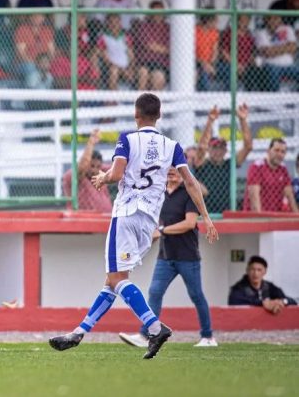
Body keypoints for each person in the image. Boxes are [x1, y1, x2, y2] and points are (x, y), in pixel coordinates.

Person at [48, 93, 218, 360]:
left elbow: (116, 175)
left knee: (118, 278)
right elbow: (191, 181)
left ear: (136, 114)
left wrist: (104, 177)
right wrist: (206, 217)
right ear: (159, 116)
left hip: (127, 212)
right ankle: (79, 332)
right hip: (150, 217)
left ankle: (154, 326)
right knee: (112, 280)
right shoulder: (172, 145)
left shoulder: (127, 138)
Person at [117, 167, 217, 349]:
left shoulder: (189, 194)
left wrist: (162, 231)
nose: (171, 172)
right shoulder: (159, 194)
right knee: (155, 292)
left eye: (176, 169)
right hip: (166, 256)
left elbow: (189, 223)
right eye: (168, 169)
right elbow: (155, 225)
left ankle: (208, 337)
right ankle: (145, 334)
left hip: (187, 256)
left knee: (196, 295)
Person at [195, 104, 253, 213]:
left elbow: (248, 146)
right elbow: (201, 148)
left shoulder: (229, 164)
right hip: (205, 214)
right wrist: (210, 121)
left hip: (226, 213)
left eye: (221, 148)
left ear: (226, 151)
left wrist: (243, 120)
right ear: (209, 149)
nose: (218, 151)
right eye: (214, 147)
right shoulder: (202, 164)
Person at [62, 129, 112, 212]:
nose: (94, 170)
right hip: (82, 220)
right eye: (92, 166)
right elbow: (83, 166)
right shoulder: (74, 176)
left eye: (98, 166)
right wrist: (91, 142)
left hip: (105, 219)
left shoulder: (100, 172)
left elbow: (118, 167)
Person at [243, 138, 299, 213]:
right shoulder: (257, 167)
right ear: (268, 151)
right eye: (276, 150)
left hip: (274, 217)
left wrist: (297, 217)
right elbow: (254, 199)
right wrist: (259, 219)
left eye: (283, 152)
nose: (279, 154)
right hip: (254, 218)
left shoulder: (283, 169)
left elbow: (290, 196)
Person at [228, 255, 297, 313]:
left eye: (259, 270)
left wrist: (282, 302)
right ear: (247, 270)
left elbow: (293, 301)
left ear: (265, 271)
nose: (255, 273)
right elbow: (234, 300)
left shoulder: (269, 287)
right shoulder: (239, 287)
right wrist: (263, 303)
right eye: (252, 269)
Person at [254, 15, 298, 92]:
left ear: (280, 20)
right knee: (273, 71)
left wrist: (275, 50)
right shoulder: (261, 33)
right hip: (271, 65)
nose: (274, 21)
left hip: (290, 65)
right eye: (270, 19)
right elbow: (267, 52)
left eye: (276, 18)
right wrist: (287, 47)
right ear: (266, 21)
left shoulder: (287, 29)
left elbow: (294, 47)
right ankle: (276, 100)